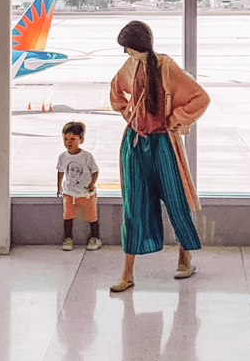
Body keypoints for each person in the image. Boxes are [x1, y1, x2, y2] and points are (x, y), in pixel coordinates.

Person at [108, 20, 209, 294]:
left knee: (176, 201)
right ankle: (127, 273)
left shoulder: (167, 67)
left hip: (163, 144)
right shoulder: (132, 66)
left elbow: (200, 97)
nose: (126, 53)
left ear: (138, 46)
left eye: (128, 48)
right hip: (135, 144)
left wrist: (174, 119)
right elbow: (116, 90)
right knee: (133, 206)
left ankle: (185, 256)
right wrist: (126, 112)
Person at [57, 120, 100, 253]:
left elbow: (95, 171)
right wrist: (59, 186)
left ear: (81, 139)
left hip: (86, 193)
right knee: (67, 216)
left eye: (72, 139)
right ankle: (68, 238)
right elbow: (60, 171)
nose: (68, 142)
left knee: (92, 216)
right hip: (69, 192)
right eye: (65, 139)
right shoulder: (63, 156)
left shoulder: (87, 156)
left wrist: (92, 184)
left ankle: (95, 237)